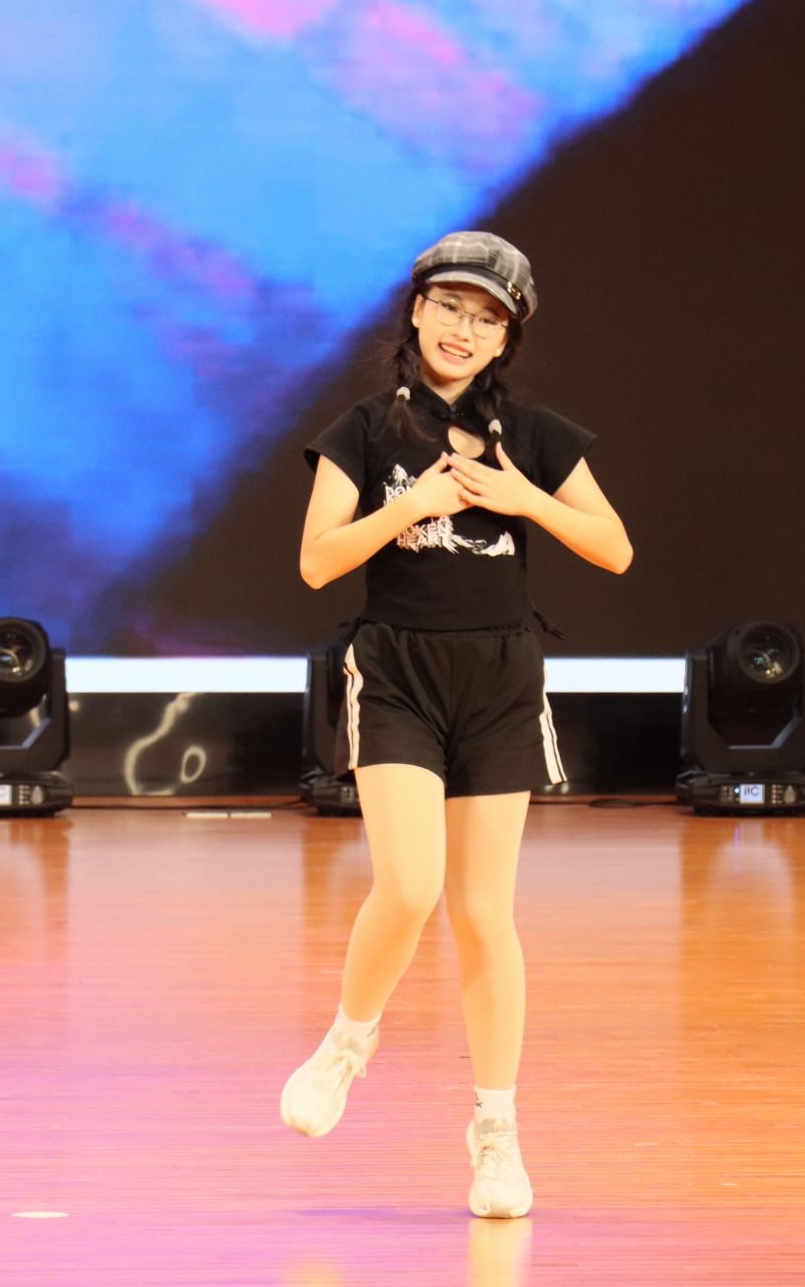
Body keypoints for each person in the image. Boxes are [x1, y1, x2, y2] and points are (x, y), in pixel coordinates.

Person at [283, 231, 632, 1218]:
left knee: (483, 913)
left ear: (505, 338)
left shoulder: (536, 436)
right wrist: (415, 505)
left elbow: (614, 548)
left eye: (486, 318)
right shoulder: (362, 430)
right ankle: (348, 1040)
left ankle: (496, 1131)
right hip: (398, 671)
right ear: (416, 310)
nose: (463, 330)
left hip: (499, 677)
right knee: (409, 884)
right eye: (449, 307)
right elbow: (316, 561)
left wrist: (526, 498)